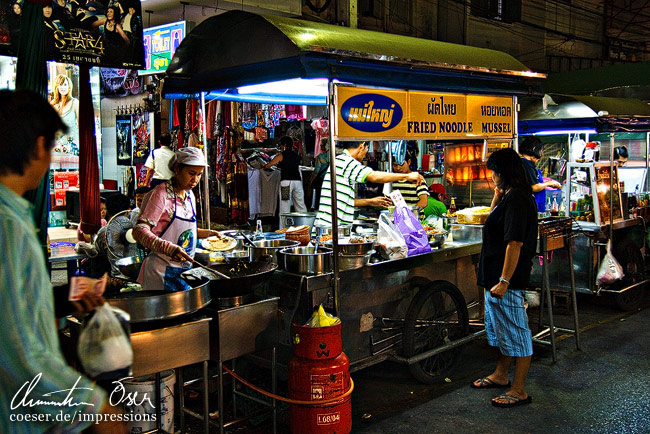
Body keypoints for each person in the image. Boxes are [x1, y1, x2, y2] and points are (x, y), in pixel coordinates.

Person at [0, 89, 123, 433]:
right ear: (38, 146)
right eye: (53, 146)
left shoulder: (15, 214)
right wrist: (94, 406)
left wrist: (64, 295)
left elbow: (13, 303)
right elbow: (19, 354)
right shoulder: (8, 226)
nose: (53, 157)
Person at [471, 148, 537, 408]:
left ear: (505, 172)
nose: (493, 177)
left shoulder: (519, 199)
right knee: (501, 331)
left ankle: (519, 389)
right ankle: (500, 375)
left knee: (517, 332)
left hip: (507, 280)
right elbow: (491, 221)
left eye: (495, 173)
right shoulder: (509, 195)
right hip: (495, 277)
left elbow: (515, 243)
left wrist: (504, 281)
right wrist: (497, 196)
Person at [133, 147, 221, 292]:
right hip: (159, 272)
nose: (195, 179)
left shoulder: (190, 195)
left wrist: (206, 234)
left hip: (183, 272)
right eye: (191, 173)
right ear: (177, 168)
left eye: (199, 174)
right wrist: (168, 248)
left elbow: (182, 230)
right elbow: (139, 230)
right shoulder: (160, 194)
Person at [314, 141, 424, 226]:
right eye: (367, 149)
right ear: (362, 146)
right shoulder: (347, 162)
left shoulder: (341, 161)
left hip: (330, 227)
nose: (365, 155)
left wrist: (371, 202)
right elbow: (373, 176)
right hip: (330, 229)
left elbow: (344, 201)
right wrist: (407, 176)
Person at [263, 136, 307, 221]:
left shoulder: (281, 155)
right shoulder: (296, 155)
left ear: (284, 145)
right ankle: (304, 225)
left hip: (286, 182)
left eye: (281, 145)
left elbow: (268, 165)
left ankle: (284, 228)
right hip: (297, 182)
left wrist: (263, 166)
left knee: (285, 206)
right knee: (300, 205)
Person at [519, 136, 561, 213]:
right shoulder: (526, 164)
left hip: (531, 207)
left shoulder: (525, 163)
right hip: (529, 208)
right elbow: (534, 187)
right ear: (534, 148)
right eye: (541, 150)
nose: (541, 154)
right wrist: (549, 183)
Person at [93, 193, 132, 277]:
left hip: (117, 278)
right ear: (128, 209)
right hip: (140, 276)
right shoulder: (138, 228)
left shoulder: (104, 231)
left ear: (108, 212)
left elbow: (98, 249)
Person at [391, 148, 429, 214]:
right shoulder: (391, 181)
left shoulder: (417, 179)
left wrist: (409, 214)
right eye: (395, 165)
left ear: (409, 162)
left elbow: (424, 202)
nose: (398, 168)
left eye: (401, 164)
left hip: (415, 220)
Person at [50, 74, 80, 152]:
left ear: (69, 86)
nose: (63, 87)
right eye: (60, 85)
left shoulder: (75, 103)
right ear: (57, 87)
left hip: (72, 146)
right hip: (56, 146)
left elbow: (81, 126)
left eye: (65, 84)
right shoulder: (53, 104)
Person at [310, 138, 330, 210]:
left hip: (322, 180)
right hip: (332, 180)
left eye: (322, 144)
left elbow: (316, 171)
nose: (320, 146)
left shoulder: (320, 157)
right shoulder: (335, 156)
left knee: (320, 198)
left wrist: (311, 180)